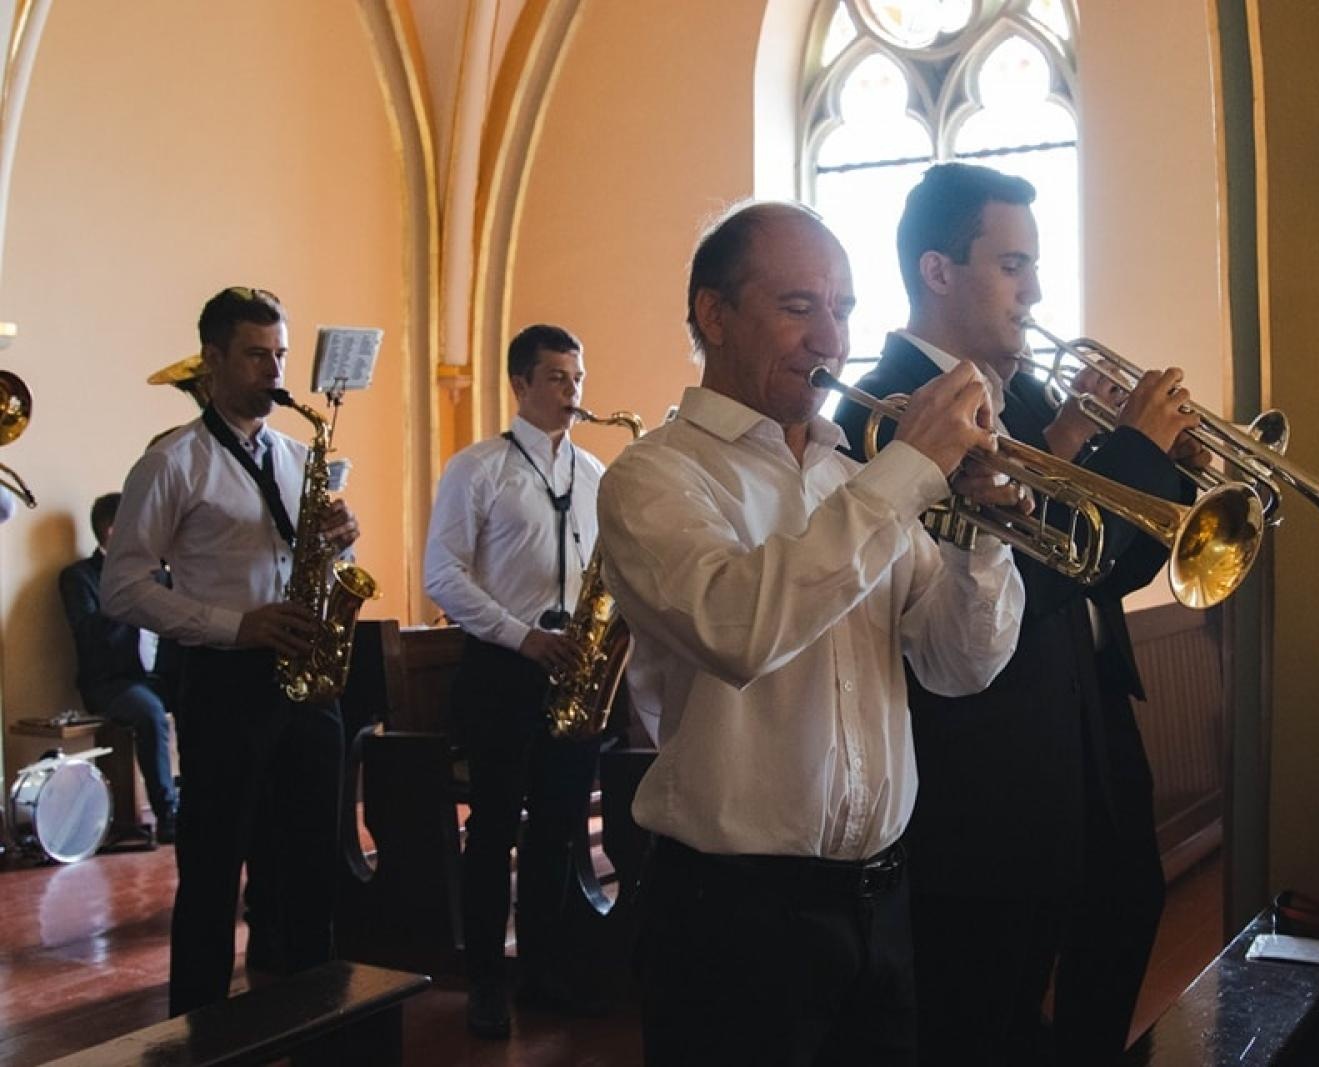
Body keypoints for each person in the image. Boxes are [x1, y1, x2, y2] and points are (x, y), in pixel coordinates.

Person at [597, 201, 1026, 1066]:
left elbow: (956, 665)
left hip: (884, 902)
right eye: (799, 307)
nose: (830, 339)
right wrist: (908, 472)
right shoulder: (653, 477)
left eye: (843, 310)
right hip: (735, 920)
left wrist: (983, 532)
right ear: (714, 314)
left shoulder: (853, 479)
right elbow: (738, 628)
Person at [833, 162, 1205, 1065]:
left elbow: (1108, 570)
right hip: (990, 767)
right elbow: (1027, 581)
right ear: (937, 271)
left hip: (1091, 737)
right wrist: (1137, 462)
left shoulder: (1033, 396)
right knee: (989, 1003)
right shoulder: (879, 414)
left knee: (1121, 926)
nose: (1035, 289)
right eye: (1013, 264)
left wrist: (1176, 469)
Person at [103, 286, 360, 1016]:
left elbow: (312, 563)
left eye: (279, 355)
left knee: (314, 865)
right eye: (256, 355)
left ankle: (318, 1020)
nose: (274, 372)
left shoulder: (298, 455)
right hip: (225, 679)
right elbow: (122, 587)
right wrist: (234, 624)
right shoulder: (172, 462)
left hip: (305, 678)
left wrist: (340, 542)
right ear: (211, 360)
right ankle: (199, 1031)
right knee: (214, 871)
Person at [423, 324, 607, 1039]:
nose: (573, 393)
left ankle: (543, 970)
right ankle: (485, 983)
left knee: (559, 829)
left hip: (571, 668)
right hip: (502, 670)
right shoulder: (477, 468)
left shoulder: (592, 474)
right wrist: (523, 635)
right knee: (494, 827)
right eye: (557, 378)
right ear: (521, 384)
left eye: (578, 377)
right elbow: (442, 574)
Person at [59, 492, 180, 842]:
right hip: (112, 682)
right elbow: (88, 635)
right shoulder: (78, 578)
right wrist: (125, 593)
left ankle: (204, 796)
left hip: (157, 675)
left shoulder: (158, 576)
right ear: (113, 532)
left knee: (204, 694)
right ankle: (167, 813)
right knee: (150, 713)